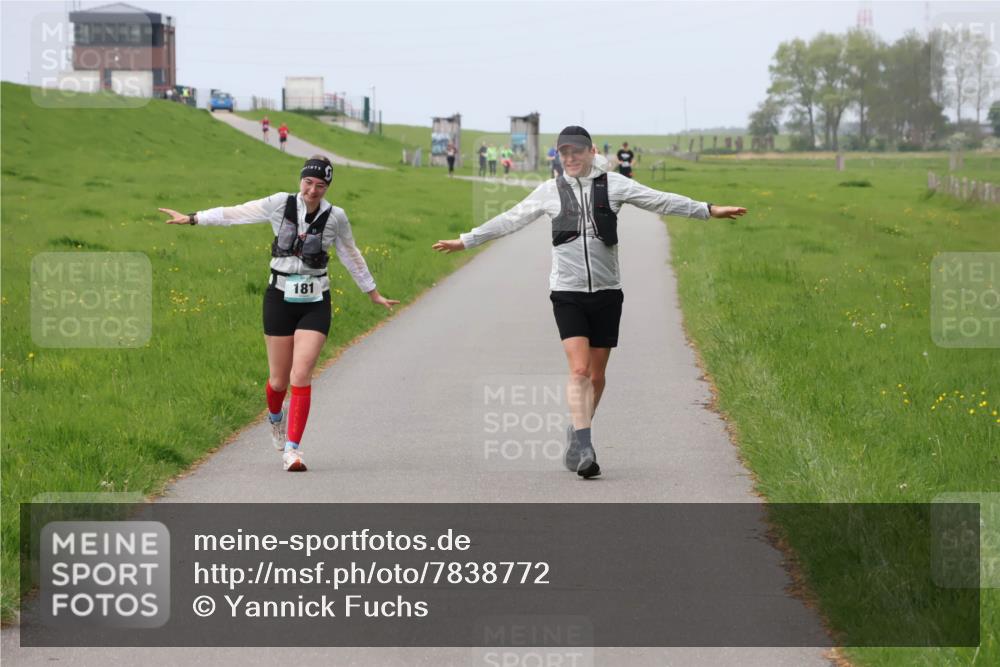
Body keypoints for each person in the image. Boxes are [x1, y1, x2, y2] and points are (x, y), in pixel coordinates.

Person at [432, 126, 746, 479]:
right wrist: (466, 241)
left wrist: (709, 210)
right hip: (567, 293)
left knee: (597, 376)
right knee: (579, 369)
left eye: (576, 152)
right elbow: (511, 219)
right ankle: (585, 445)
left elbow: (660, 199)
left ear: (591, 151)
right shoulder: (549, 192)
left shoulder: (614, 185)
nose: (570, 159)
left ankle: (577, 430)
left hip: (608, 293)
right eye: (563, 153)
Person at [158, 155, 399, 472]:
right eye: (308, 182)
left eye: (321, 185)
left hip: (315, 300)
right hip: (279, 298)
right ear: (301, 180)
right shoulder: (278, 204)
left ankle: (293, 450)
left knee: (302, 373)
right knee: (278, 380)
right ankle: (275, 418)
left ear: (328, 187)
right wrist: (193, 218)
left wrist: (373, 292)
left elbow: (351, 255)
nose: (313, 190)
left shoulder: (336, 217)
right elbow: (235, 214)